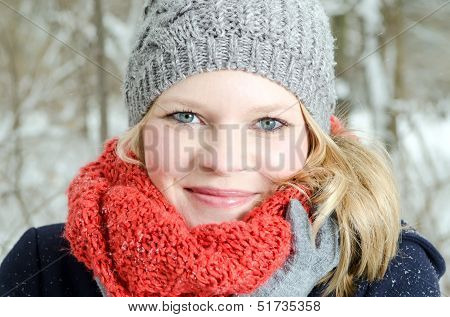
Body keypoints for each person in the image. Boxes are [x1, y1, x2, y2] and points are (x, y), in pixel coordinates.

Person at [0, 0, 446, 297]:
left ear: (312, 140)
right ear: (140, 130)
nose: (223, 161)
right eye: (186, 117)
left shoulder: (380, 274)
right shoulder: (46, 267)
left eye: (268, 124)